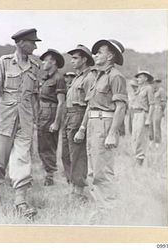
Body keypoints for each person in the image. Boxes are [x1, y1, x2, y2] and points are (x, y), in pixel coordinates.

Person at [0, 28, 41, 220]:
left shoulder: (35, 66)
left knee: (22, 157)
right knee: (0, 159)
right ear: (20, 43)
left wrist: (35, 119)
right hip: (5, 116)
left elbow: (35, 96)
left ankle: (20, 201)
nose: (35, 46)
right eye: (32, 42)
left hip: (25, 118)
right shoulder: (4, 62)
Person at [74, 39, 128, 224]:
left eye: (99, 52)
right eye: (95, 52)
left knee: (102, 171)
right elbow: (91, 105)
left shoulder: (116, 76)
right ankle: (102, 210)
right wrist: (82, 128)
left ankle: (109, 213)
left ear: (110, 56)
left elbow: (120, 108)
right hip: (92, 124)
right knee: (93, 171)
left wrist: (112, 133)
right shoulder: (96, 76)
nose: (95, 55)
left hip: (105, 123)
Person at [63, 45, 95, 197]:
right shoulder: (77, 77)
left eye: (75, 58)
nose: (72, 61)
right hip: (69, 116)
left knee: (78, 154)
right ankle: (73, 187)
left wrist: (82, 128)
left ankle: (79, 191)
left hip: (79, 115)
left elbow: (90, 104)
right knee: (67, 154)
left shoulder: (89, 77)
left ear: (84, 59)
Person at [37, 49, 66, 186]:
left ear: (53, 61)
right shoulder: (46, 78)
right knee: (42, 144)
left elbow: (61, 102)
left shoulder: (58, 78)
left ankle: (50, 175)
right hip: (42, 112)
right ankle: (47, 173)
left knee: (48, 144)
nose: (43, 63)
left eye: (45, 60)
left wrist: (56, 122)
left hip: (51, 112)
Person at [131, 70, 155, 165]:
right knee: (134, 137)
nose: (138, 79)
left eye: (140, 77)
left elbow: (152, 105)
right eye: (137, 77)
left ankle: (139, 160)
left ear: (145, 78)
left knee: (141, 138)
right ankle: (136, 158)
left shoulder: (148, 88)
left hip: (142, 114)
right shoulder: (139, 89)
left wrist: (148, 119)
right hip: (136, 114)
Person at [150, 79, 166, 148]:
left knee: (156, 126)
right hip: (152, 110)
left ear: (158, 83)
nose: (154, 84)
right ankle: (151, 141)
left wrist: (161, 111)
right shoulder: (152, 91)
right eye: (153, 83)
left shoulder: (161, 90)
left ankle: (157, 143)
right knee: (150, 125)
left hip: (158, 109)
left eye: (156, 82)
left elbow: (163, 102)